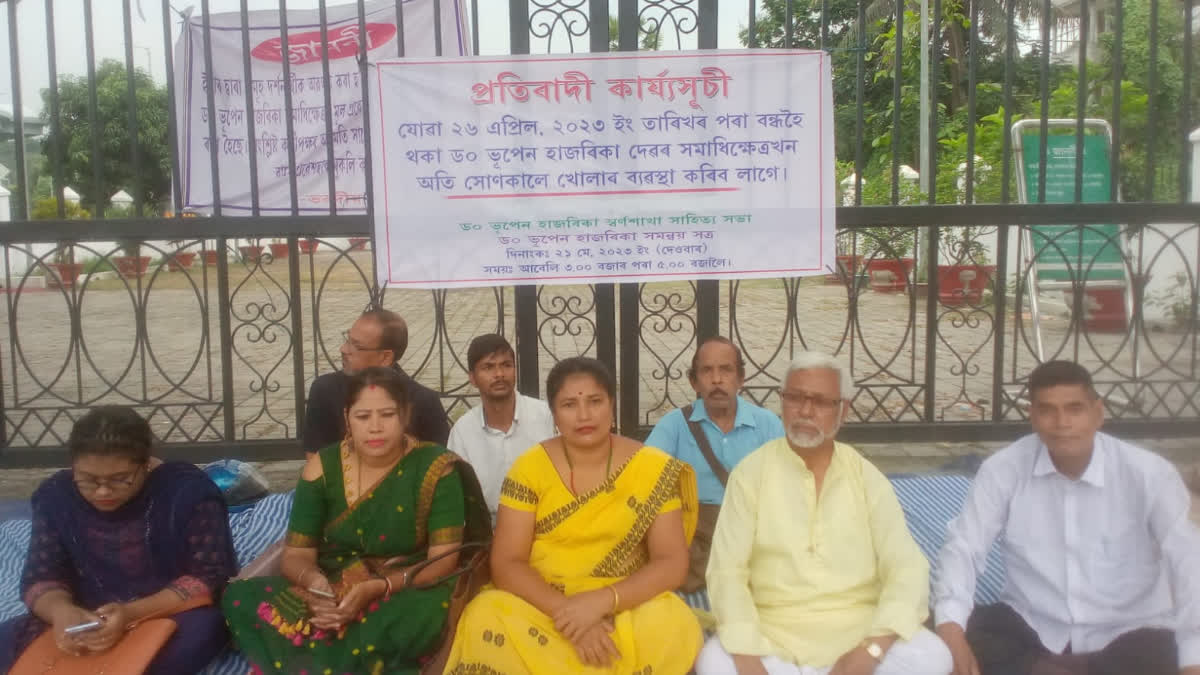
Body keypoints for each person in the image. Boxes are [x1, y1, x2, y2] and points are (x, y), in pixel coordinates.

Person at [933, 360, 1200, 675]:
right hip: (1035, 627)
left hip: (1127, 630)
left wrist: (1192, 657)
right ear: (1032, 416)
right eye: (1047, 410)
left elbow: (1188, 561)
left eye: (1075, 409)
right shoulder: (1004, 470)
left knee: (1166, 654)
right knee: (938, 635)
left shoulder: (1149, 474)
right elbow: (964, 547)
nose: (1062, 423)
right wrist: (950, 627)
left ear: (1097, 413)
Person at [442, 356, 704, 674]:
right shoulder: (530, 468)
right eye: (569, 405)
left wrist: (603, 601)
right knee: (485, 613)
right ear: (553, 414)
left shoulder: (653, 467)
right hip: (542, 605)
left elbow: (670, 562)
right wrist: (570, 613)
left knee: (672, 622)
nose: (584, 415)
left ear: (612, 405)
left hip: (623, 602)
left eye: (595, 401)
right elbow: (508, 562)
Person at [223, 366, 491, 675]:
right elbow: (297, 554)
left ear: (405, 415)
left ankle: (317, 659)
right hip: (332, 579)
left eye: (387, 415)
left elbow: (442, 563)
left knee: (418, 618)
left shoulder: (436, 468)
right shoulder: (322, 466)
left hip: (405, 583)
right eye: (363, 417)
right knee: (239, 597)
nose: (375, 427)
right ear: (347, 418)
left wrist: (377, 588)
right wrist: (317, 585)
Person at [698, 352, 952, 675]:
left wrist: (871, 650)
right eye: (795, 398)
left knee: (933, 656)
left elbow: (907, 567)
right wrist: (747, 657)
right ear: (782, 402)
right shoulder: (750, 475)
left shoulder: (866, 477)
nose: (805, 411)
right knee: (714, 663)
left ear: (843, 410)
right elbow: (726, 572)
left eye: (819, 401)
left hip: (859, 637)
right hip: (773, 640)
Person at [0, 406, 237, 675]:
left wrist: (130, 614)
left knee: (205, 632)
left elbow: (209, 577)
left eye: (120, 479)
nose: (102, 491)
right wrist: (61, 613)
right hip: (87, 615)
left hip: (165, 611)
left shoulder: (187, 493)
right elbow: (41, 577)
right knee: (5, 642)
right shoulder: (56, 498)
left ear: (146, 463)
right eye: (88, 480)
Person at [645, 335, 784, 591]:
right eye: (707, 371)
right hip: (695, 534)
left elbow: (787, 487)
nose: (717, 380)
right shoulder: (674, 425)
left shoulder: (768, 425)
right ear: (694, 381)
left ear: (741, 378)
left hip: (752, 530)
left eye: (726, 370)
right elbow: (643, 478)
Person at [302, 308, 449, 455]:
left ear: (385, 357)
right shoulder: (325, 390)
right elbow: (315, 460)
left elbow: (439, 464)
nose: (344, 349)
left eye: (357, 346)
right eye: (347, 340)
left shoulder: (424, 401)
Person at [447, 333, 556, 520]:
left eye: (506, 365)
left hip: (546, 522)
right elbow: (456, 495)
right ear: (472, 378)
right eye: (488, 367)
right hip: (488, 533)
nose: (499, 374)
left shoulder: (546, 416)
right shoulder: (463, 431)